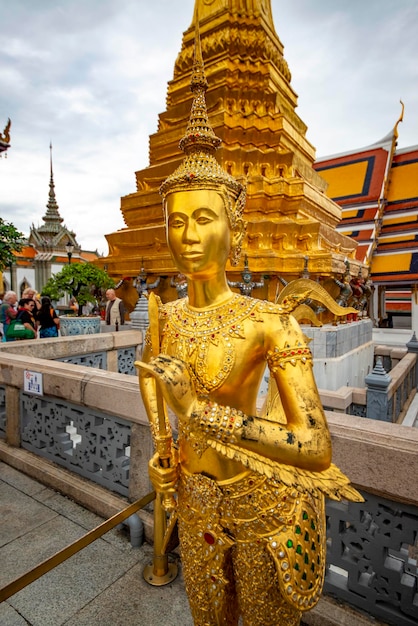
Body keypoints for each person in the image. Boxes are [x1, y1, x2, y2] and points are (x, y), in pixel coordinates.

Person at [136, 29, 362, 626]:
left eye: (204, 218)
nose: (187, 235)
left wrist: (201, 411)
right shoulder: (163, 322)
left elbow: (315, 447)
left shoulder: (267, 321)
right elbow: (163, 421)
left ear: (233, 229)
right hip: (196, 502)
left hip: (259, 503)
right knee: (208, 618)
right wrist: (166, 465)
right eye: (177, 220)